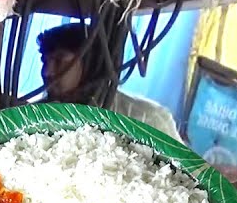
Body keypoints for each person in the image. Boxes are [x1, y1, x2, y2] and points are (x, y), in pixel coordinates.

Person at [37, 22, 183, 141]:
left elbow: (184, 175)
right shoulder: (35, 116)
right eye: (44, 61)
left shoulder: (147, 120)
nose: (46, 72)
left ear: (90, 62)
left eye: (59, 61)